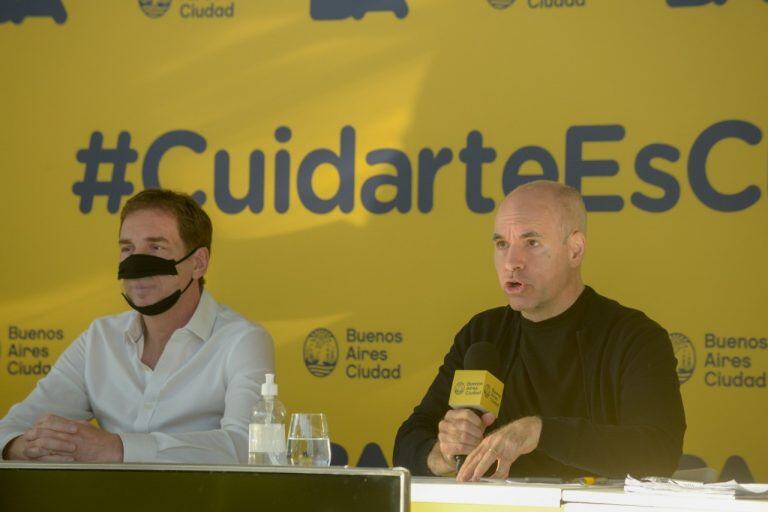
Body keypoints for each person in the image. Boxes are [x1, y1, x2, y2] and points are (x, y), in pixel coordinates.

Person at [393, 180, 686, 481]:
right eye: (501, 245)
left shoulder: (634, 338)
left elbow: (658, 452)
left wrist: (539, 431)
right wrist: (441, 453)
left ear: (575, 250)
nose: (511, 263)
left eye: (531, 243)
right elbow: (407, 442)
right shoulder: (482, 335)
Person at [0, 189, 274, 464]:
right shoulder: (99, 338)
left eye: (156, 247)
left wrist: (117, 449)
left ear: (198, 263)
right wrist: (26, 447)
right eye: (127, 249)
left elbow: (248, 447)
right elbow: (10, 429)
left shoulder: (241, 341)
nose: (136, 264)